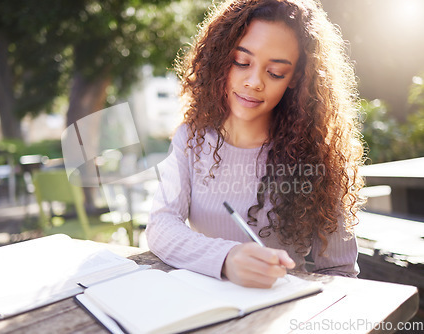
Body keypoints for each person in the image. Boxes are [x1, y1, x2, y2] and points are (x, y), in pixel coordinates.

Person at [146, 0, 365, 288]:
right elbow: (161, 226)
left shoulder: (318, 157)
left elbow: (340, 271)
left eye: (275, 72)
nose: (254, 82)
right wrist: (226, 258)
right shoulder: (191, 138)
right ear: (222, 58)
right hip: (201, 304)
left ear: (296, 79)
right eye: (242, 62)